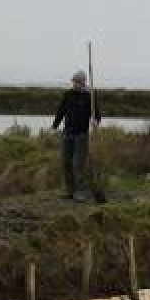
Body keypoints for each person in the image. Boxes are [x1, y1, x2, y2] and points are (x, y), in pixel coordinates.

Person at [52, 71, 101, 202]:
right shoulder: (67, 95)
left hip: (81, 135)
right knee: (65, 163)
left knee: (77, 164)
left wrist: (95, 121)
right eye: (74, 81)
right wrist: (55, 126)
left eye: (78, 82)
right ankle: (70, 191)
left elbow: (97, 115)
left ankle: (80, 192)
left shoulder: (89, 97)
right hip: (67, 133)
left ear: (84, 82)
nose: (75, 84)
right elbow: (60, 111)